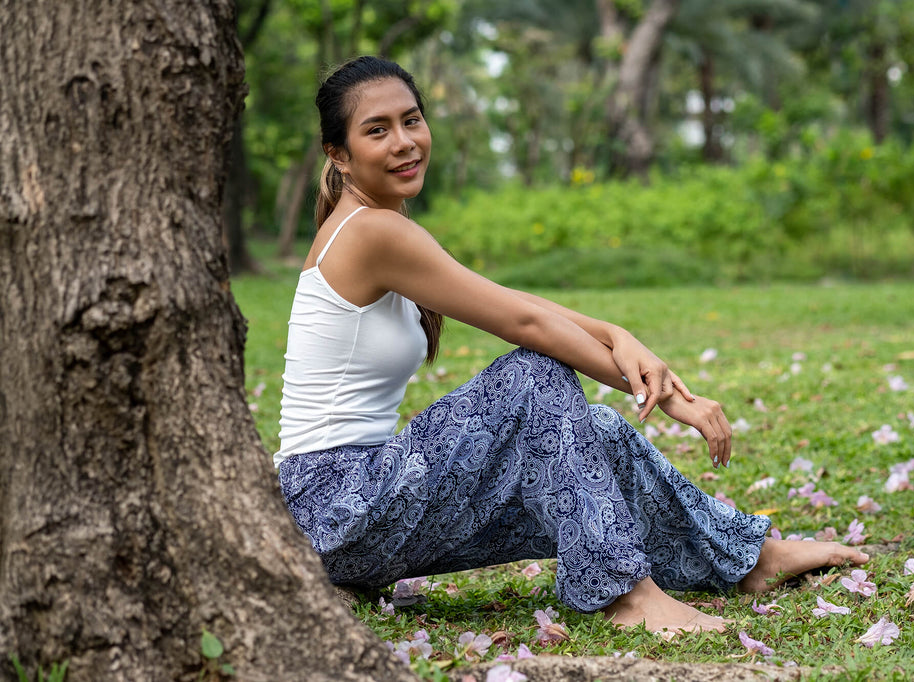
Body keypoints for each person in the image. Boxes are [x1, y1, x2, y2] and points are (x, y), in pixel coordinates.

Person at [275, 55, 869, 636]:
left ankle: (750, 559)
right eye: (377, 130)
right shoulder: (372, 232)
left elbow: (513, 300)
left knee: (596, 430)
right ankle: (624, 593)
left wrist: (617, 335)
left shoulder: (377, 223)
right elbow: (526, 324)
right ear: (339, 155)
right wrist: (663, 396)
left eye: (412, 120)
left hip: (360, 511)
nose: (405, 141)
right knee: (533, 374)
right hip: (332, 508)